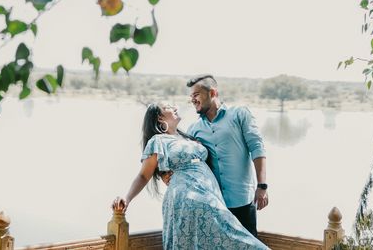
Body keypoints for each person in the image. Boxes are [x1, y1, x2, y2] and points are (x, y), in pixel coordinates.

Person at [112, 103, 269, 250]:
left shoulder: (189, 136)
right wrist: (127, 198)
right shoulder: (158, 141)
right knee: (234, 237)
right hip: (187, 200)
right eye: (167, 106)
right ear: (160, 118)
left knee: (230, 237)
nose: (174, 107)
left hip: (209, 196)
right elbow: (143, 176)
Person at [185, 75, 268, 237]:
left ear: (212, 93)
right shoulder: (193, 129)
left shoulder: (239, 114)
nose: (193, 100)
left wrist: (262, 186)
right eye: (191, 97)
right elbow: (191, 165)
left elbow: (257, 148)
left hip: (242, 200)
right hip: (214, 203)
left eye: (196, 95)